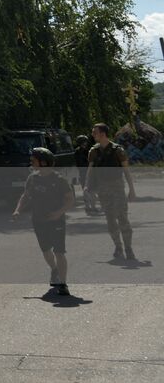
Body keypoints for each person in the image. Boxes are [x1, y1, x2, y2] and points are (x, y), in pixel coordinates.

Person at [14, 147, 74, 296]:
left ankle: (63, 283)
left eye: (33, 160)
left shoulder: (59, 180)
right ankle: (54, 269)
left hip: (57, 221)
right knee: (46, 250)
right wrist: (18, 210)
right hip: (39, 220)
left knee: (59, 251)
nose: (31, 163)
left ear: (43, 162)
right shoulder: (32, 178)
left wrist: (58, 213)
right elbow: (26, 196)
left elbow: (70, 199)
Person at [85, 122, 137, 262]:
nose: (92, 134)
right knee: (110, 220)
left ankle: (128, 248)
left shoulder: (118, 150)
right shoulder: (94, 151)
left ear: (102, 134)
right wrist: (87, 187)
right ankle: (118, 246)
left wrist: (131, 190)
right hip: (103, 190)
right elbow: (90, 171)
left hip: (117, 188)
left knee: (122, 219)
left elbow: (126, 171)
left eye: (94, 132)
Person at [73, 135, 99, 215]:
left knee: (92, 191)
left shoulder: (88, 150)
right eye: (83, 142)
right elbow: (80, 164)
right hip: (84, 173)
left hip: (89, 173)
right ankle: (88, 207)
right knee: (87, 191)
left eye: (85, 142)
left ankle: (93, 207)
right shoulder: (78, 152)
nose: (85, 144)